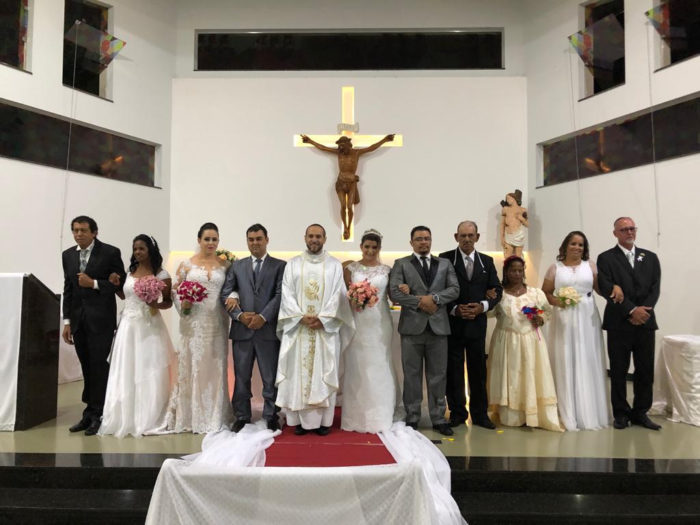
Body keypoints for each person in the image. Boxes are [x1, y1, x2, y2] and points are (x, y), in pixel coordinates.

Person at [275, 224, 355, 435]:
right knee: (297, 374)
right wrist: (299, 316)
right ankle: (299, 422)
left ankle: (324, 422)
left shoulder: (334, 265)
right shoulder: (293, 264)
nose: (314, 239)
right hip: (298, 329)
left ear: (325, 239)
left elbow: (338, 295)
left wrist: (324, 319)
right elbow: (286, 293)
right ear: (305, 237)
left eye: (318, 236)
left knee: (323, 372)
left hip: (325, 330)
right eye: (311, 236)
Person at [99, 235, 176, 438]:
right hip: (128, 326)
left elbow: (168, 302)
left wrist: (155, 304)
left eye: (142, 248)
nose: (138, 252)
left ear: (150, 250)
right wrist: (116, 285)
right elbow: (125, 296)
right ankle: (125, 415)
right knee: (127, 368)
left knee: (149, 368)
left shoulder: (161, 274)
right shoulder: (130, 272)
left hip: (149, 326)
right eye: (135, 249)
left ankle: (149, 416)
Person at [389, 226, 459, 436]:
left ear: (431, 241)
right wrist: (420, 302)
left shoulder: (445, 264)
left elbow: (454, 289)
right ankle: (412, 416)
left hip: (438, 329)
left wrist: (434, 299)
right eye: (419, 239)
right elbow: (394, 293)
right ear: (411, 242)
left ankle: (438, 417)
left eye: (427, 238)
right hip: (412, 329)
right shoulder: (401, 264)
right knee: (411, 375)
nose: (423, 242)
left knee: (438, 375)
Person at [62, 215, 125, 436]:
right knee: (87, 367)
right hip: (78, 321)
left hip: (101, 320)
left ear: (94, 232)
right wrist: (67, 321)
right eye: (75, 230)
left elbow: (120, 285)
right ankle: (89, 412)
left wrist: (94, 283)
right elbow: (68, 288)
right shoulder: (68, 255)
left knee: (99, 367)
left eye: (83, 230)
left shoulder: (110, 252)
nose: (78, 234)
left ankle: (100, 413)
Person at [167, 223, 233, 434]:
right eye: (207, 239)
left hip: (217, 322)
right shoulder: (187, 265)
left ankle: (216, 414)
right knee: (193, 365)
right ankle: (192, 416)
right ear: (199, 240)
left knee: (216, 365)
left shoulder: (226, 265)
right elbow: (175, 292)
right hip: (193, 323)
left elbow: (231, 289)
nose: (211, 243)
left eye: (214, 239)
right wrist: (184, 306)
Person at [597, 217, 662, 431]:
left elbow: (655, 288)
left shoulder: (650, 257)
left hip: (645, 322)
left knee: (645, 370)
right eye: (624, 229)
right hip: (619, 323)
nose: (629, 232)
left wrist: (643, 312)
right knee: (618, 370)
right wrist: (631, 310)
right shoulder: (606, 258)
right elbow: (606, 287)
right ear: (615, 233)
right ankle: (621, 413)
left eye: (632, 228)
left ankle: (641, 412)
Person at [542, 231, 611, 431]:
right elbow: (545, 292)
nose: (577, 247)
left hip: (587, 315)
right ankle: (567, 409)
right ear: (565, 246)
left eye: (581, 245)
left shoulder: (590, 266)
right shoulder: (555, 268)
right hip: (564, 317)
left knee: (587, 357)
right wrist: (557, 301)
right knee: (565, 357)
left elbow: (600, 289)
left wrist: (615, 288)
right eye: (573, 243)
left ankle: (589, 408)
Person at [221, 223, 286, 432]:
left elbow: (280, 295)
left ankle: (271, 415)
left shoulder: (280, 266)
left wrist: (263, 317)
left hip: (268, 331)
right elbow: (226, 293)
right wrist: (240, 316)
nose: (255, 243)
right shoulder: (237, 266)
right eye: (251, 239)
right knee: (241, 377)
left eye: (259, 239)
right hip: (242, 330)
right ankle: (241, 415)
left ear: (267, 240)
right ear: (247, 241)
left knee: (270, 377)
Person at [439, 221, 502, 430]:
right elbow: (438, 289)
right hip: (453, 324)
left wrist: (483, 306)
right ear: (456, 237)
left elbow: (496, 289)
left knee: (478, 371)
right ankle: (457, 413)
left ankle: (480, 414)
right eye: (463, 235)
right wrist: (454, 309)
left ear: (477, 237)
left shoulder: (487, 261)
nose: (467, 239)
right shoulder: (445, 259)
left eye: (470, 235)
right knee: (454, 371)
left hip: (477, 324)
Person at [487, 256, 562, 431]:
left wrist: (540, 319)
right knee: (510, 376)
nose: (517, 274)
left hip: (531, 342)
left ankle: (533, 413)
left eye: (520, 270)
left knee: (531, 373)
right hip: (506, 341)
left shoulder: (535, 293)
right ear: (506, 272)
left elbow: (547, 312)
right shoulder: (500, 294)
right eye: (513, 270)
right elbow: (489, 313)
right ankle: (511, 415)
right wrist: (487, 297)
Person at [341, 229, 398, 433]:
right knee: (357, 365)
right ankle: (356, 415)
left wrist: (404, 290)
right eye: (367, 247)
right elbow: (343, 294)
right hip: (357, 322)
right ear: (361, 247)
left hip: (380, 323)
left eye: (374, 247)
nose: (370, 251)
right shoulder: (350, 268)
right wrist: (355, 297)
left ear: (379, 248)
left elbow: (392, 297)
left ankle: (380, 414)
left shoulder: (387, 270)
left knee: (380, 364)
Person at [300, 133, 394, 240]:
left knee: (349, 207)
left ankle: (349, 227)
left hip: (351, 183)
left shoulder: (357, 153)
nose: (341, 149)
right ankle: (345, 227)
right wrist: (310, 141)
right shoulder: (339, 153)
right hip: (340, 183)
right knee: (343, 206)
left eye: (342, 146)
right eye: (339, 147)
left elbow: (372, 147)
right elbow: (323, 148)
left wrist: (385, 140)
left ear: (348, 145)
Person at [500, 190, 528, 258]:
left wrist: (521, 219)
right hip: (508, 235)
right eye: (506, 199)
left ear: (514, 198)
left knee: (518, 257)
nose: (507, 200)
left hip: (519, 235)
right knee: (507, 256)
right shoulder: (505, 209)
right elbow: (502, 224)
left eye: (508, 198)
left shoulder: (522, 210)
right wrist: (502, 238)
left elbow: (527, 224)